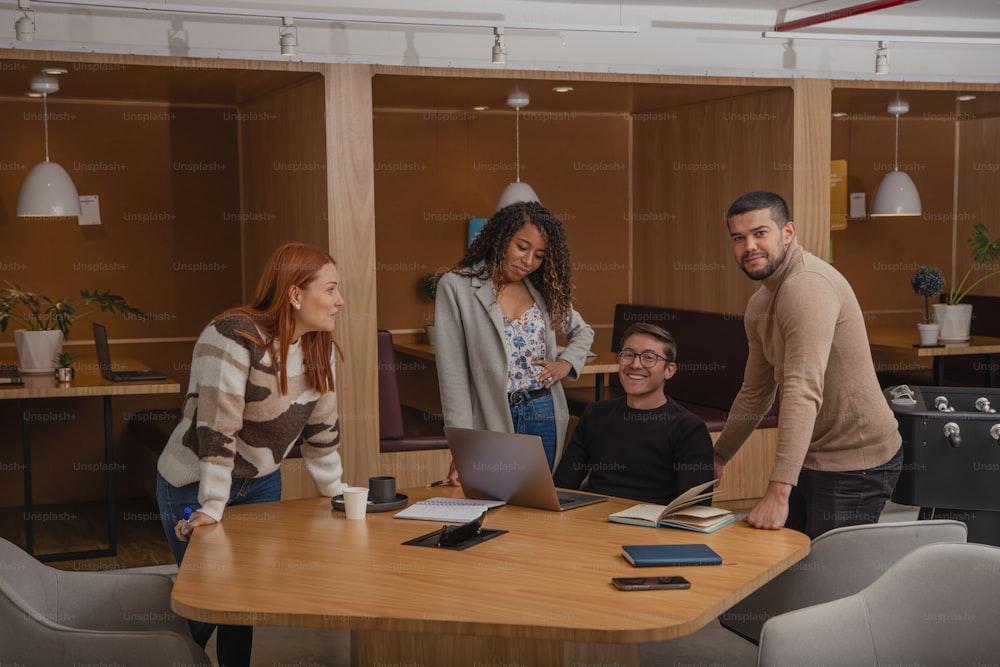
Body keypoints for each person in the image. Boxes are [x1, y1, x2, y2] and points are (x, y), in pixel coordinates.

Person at [156, 242, 346, 667]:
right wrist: (212, 505)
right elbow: (216, 427)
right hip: (194, 480)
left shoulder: (319, 346)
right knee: (204, 603)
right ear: (296, 295)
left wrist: (337, 492)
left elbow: (321, 430)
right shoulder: (232, 336)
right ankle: (152, 650)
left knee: (242, 601)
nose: (339, 300)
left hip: (261, 484)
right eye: (330, 290)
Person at [713, 190, 902, 539]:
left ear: (788, 233)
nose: (749, 246)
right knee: (794, 568)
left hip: (854, 460)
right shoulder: (760, 302)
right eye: (738, 238)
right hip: (810, 456)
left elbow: (802, 389)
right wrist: (720, 455)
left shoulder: (807, 286)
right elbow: (756, 392)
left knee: (831, 577)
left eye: (760, 233)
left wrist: (777, 491)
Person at [434, 200, 594, 481]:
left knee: (541, 501)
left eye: (540, 255)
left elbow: (583, 332)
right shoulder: (456, 286)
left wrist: (566, 362)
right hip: (491, 414)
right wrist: (461, 448)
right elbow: (453, 378)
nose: (529, 262)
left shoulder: (543, 289)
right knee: (497, 500)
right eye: (522, 247)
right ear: (501, 237)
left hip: (544, 411)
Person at [553, 322, 715, 504]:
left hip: (654, 528)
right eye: (628, 355)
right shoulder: (595, 414)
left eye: (649, 357)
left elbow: (695, 510)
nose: (635, 364)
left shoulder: (689, 429)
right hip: (592, 523)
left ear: (669, 370)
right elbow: (562, 488)